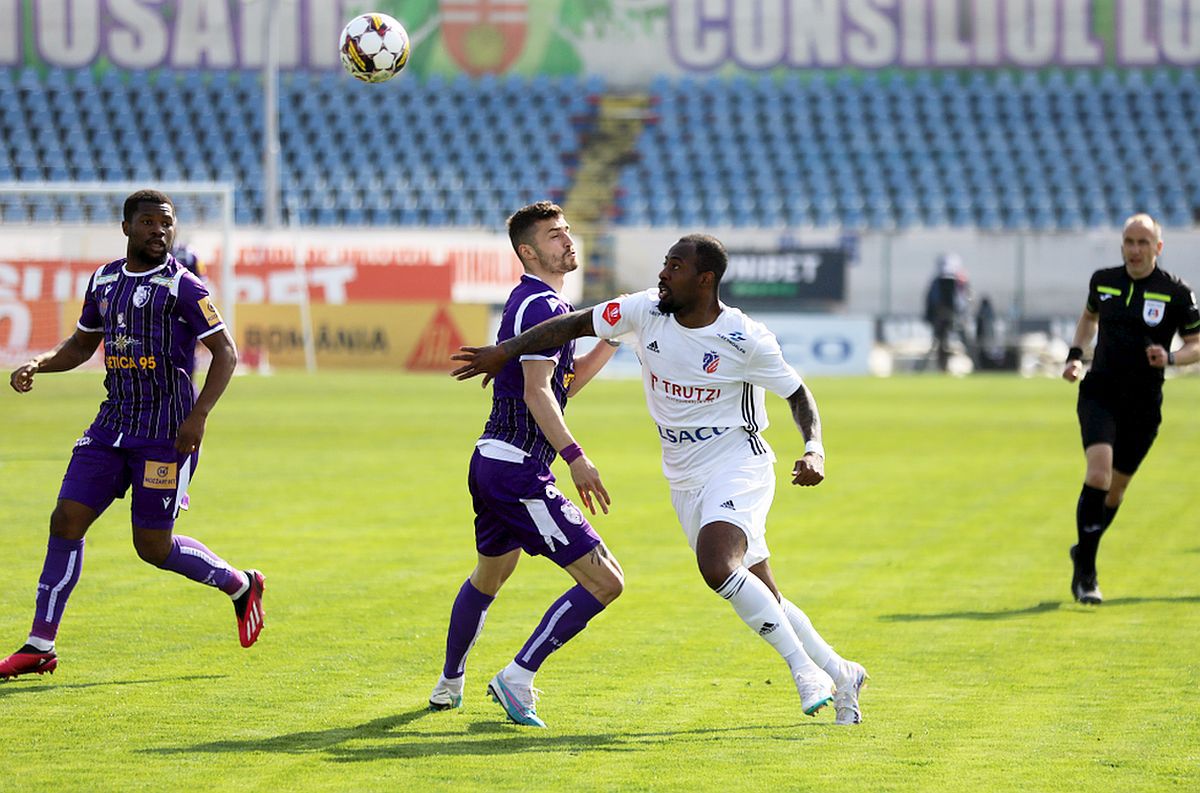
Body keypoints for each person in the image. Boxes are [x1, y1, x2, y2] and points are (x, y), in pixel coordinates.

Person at [452, 233, 868, 725]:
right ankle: (843, 673)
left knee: (717, 565)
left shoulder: (745, 338)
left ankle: (805, 672)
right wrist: (508, 350)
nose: (662, 274)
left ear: (705, 279)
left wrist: (814, 448)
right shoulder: (644, 309)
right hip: (684, 476)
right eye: (665, 264)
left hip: (738, 462)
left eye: (674, 266)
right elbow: (570, 324)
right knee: (757, 585)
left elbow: (798, 394)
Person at [0, 189, 265, 681]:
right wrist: (39, 362)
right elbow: (83, 344)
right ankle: (40, 644)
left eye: (166, 223)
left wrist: (199, 415)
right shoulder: (103, 280)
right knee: (66, 519)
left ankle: (240, 584)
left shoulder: (185, 287)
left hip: (166, 435)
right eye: (147, 223)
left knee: (153, 548)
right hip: (111, 426)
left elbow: (226, 353)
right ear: (127, 228)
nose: (158, 231)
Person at [428, 201, 624, 727]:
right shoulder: (541, 307)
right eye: (555, 235)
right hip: (517, 469)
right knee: (606, 581)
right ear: (528, 251)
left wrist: (610, 341)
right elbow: (539, 393)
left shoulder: (541, 305)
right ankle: (517, 677)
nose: (568, 241)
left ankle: (449, 685)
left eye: (568, 231)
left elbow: (562, 386)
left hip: (494, 460)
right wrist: (576, 458)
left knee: (490, 575)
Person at [1062, 213, 1200, 604]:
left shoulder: (1175, 292)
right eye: (1129, 241)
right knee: (1099, 472)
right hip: (1100, 393)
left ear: (1158, 247)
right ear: (1121, 245)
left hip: (1143, 404)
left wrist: (1171, 358)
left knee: (1115, 492)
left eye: (1143, 242)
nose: (1135, 250)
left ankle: (1082, 550)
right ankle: (1086, 572)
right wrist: (1075, 355)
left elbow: (1197, 343)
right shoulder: (1103, 281)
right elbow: (1088, 319)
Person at [924, 252, 971, 372]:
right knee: (941, 343)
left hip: (954, 315)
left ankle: (975, 365)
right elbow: (932, 300)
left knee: (965, 341)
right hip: (941, 316)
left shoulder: (959, 283)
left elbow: (963, 301)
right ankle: (942, 367)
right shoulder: (936, 283)